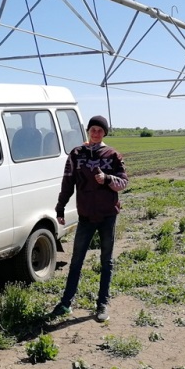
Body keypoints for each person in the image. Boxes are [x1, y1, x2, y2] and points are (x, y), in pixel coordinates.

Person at [52, 115, 128, 322]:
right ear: (88, 131)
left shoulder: (112, 155)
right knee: (76, 261)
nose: (96, 133)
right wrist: (60, 208)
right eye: (93, 129)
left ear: (104, 133)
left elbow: (123, 182)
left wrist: (107, 179)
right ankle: (66, 303)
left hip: (107, 216)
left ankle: (102, 304)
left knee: (106, 261)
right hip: (85, 216)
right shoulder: (76, 154)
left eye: (100, 130)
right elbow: (67, 183)